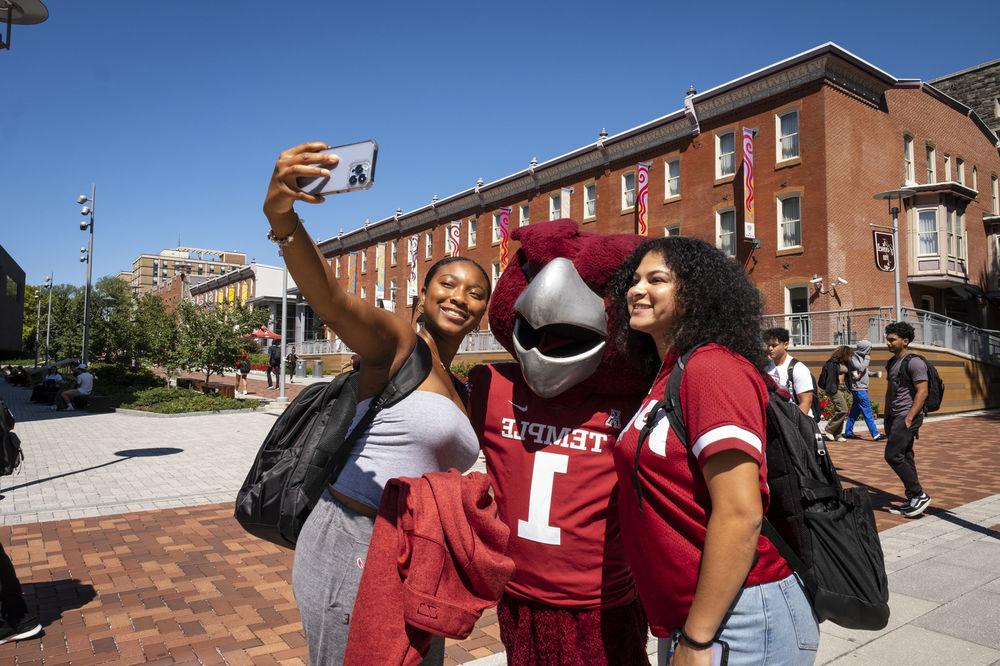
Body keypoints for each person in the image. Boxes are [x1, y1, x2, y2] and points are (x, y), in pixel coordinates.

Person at [263, 141, 492, 665]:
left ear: (482, 311)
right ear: (420, 300)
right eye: (448, 284)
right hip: (353, 539)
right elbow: (333, 301)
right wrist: (283, 219)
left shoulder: (465, 387)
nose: (460, 296)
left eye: (475, 292)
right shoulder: (397, 346)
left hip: (418, 554)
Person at [610, 237, 818, 665]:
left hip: (739, 618)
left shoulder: (711, 368)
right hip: (698, 614)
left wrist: (699, 638)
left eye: (657, 279)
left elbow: (741, 512)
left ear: (695, 293)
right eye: (633, 280)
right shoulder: (670, 371)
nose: (636, 289)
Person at [883, 322, 931, 518]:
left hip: (907, 415)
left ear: (906, 340)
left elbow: (923, 391)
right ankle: (913, 497)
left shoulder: (915, 362)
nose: (889, 343)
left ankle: (920, 494)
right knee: (906, 455)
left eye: (892, 339)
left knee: (893, 455)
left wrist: (910, 416)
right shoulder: (892, 362)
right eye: (888, 339)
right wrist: (887, 416)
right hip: (895, 416)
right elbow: (890, 391)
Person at [764, 327, 815, 418]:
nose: (770, 348)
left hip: (796, 421)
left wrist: (796, 426)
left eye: (774, 345)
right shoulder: (766, 367)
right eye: (768, 345)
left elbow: (806, 401)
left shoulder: (798, 368)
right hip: (776, 420)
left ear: (786, 345)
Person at [844, 340, 884, 441]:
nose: (871, 350)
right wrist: (867, 358)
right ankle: (875, 435)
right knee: (868, 412)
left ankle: (848, 432)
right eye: (870, 348)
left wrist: (874, 374)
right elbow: (860, 367)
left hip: (862, 388)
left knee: (854, 412)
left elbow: (864, 371)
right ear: (865, 348)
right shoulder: (853, 358)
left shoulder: (862, 358)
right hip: (859, 389)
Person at [822, 346, 853, 442]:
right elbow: (830, 378)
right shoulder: (832, 363)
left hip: (843, 388)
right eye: (848, 355)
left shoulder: (846, 362)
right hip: (835, 388)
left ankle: (838, 434)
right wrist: (829, 390)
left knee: (840, 411)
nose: (849, 357)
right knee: (843, 410)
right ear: (843, 354)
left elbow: (849, 374)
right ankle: (828, 429)